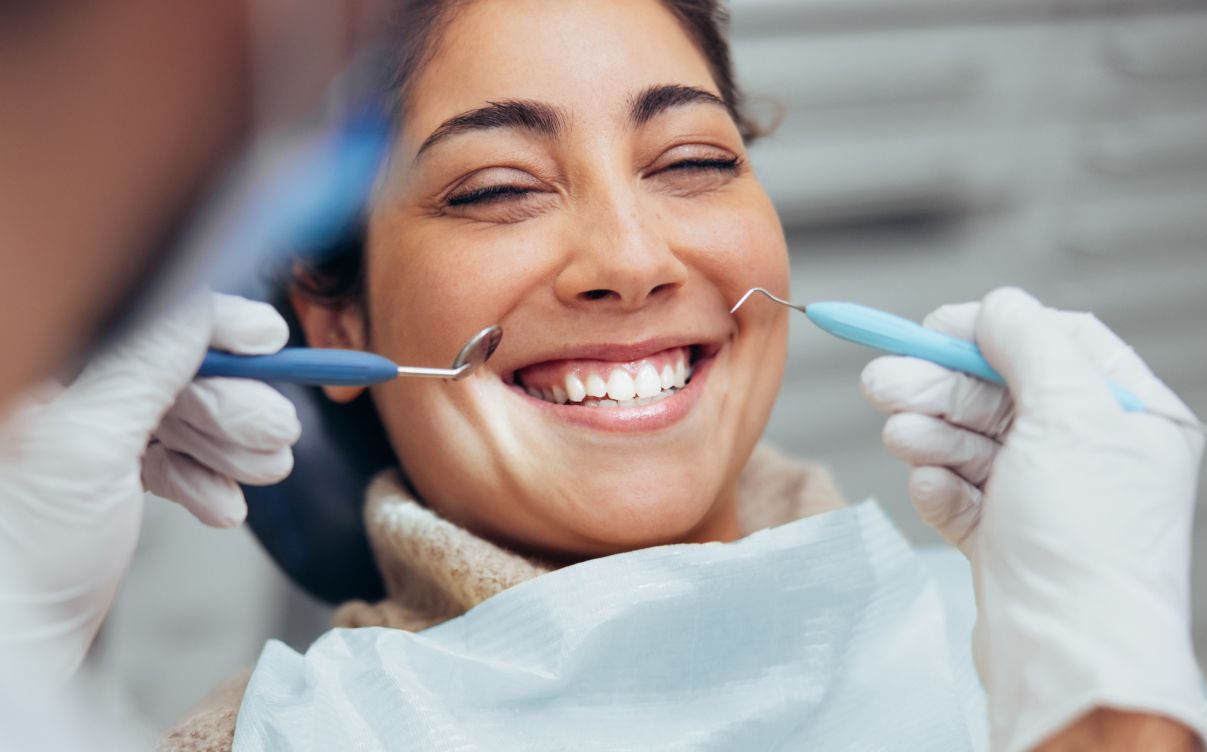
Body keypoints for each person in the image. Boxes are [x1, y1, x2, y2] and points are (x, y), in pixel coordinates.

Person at [0, 1, 1201, 750]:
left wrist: (1104, 652)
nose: (629, 261)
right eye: (496, 188)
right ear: (333, 310)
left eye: (690, 160)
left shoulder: (1050, 638)